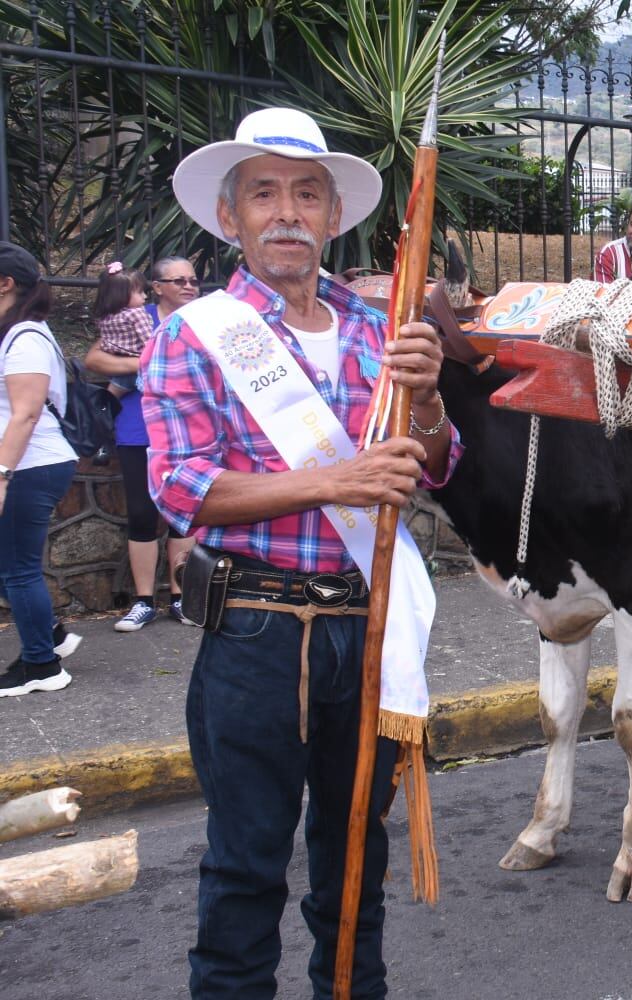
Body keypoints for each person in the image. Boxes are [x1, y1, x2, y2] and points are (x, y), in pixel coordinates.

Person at [140, 106, 461, 998]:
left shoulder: (378, 332)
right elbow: (183, 489)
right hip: (256, 631)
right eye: (265, 193)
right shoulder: (194, 332)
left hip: (365, 626)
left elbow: (434, 465)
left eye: (307, 194)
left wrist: (429, 402)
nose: (287, 212)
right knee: (245, 867)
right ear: (231, 215)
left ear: (332, 218)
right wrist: (336, 481)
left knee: (356, 861)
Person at [85, 259, 198, 630]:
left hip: (190, 430)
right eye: (178, 280)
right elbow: (95, 358)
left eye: (192, 280)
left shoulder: (206, 318)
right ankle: (144, 600)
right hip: (138, 429)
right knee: (141, 514)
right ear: (156, 286)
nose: (188, 285)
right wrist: (145, 362)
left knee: (184, 516)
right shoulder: (137, 315)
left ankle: (182, 598)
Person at [0, 242, 79, 697]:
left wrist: (2, 474)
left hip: (31, 465)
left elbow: (25, 414)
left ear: (6, 284)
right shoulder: (15, 332)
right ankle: (48, 634)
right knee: (9, 564)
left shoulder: (26, 337)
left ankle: (42, 667)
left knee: (17, 568)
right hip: (26, 464)